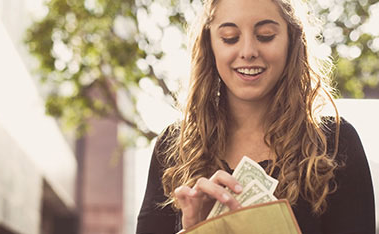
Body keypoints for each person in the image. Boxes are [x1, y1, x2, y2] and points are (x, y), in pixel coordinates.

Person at [136, 0, 376, 233]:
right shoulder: (174, 147)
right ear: (210, 44)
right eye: (230, 38)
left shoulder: (334, 144)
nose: (248, 51)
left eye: (265, 35)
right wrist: (197, 231)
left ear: (292, 41)